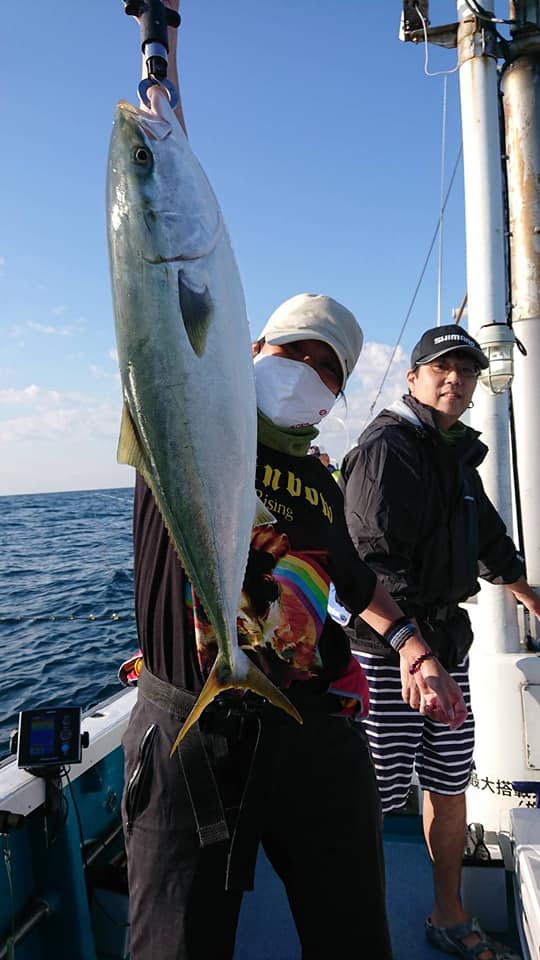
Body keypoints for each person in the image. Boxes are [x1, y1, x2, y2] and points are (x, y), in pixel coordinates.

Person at [121, 7, 467, 958]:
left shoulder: (320, 471)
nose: (304, 372)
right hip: (192, 725)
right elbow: (164, 229)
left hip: (314, 729)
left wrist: (406, 643)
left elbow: (353, 581)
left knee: (352, 933)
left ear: (336, 395)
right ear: (248, 344)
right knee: (175, 944)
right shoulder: (187, 409)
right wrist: (161, 42)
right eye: (290, 350)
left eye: (327, 367)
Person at [341, 323, 540, 960]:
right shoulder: (387, 448)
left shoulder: (452, 452)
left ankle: (448, 914)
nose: (455, 378)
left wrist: (526, 591)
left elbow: (485, 536)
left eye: (467, 370)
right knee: (372, 797)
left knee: (450, 784)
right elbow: (364, 564)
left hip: (445, 650)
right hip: (388, 655)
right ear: (413, 378)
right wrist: (411, 651)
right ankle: (352, 929)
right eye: (441, 367)